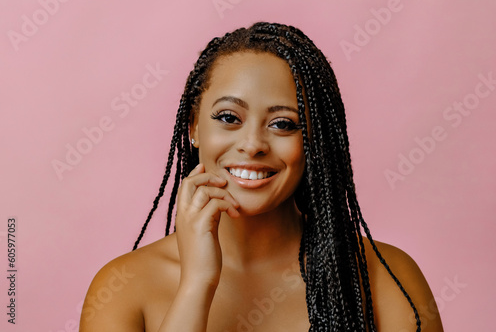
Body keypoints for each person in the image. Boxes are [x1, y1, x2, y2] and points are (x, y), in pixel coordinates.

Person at [80, 22, 443, 331]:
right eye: (228, 117)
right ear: (193, 127)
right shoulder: (123, 287)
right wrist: (196, 284)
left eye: (283, 124)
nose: (253, 144)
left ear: (313, 141)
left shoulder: (385, 278)